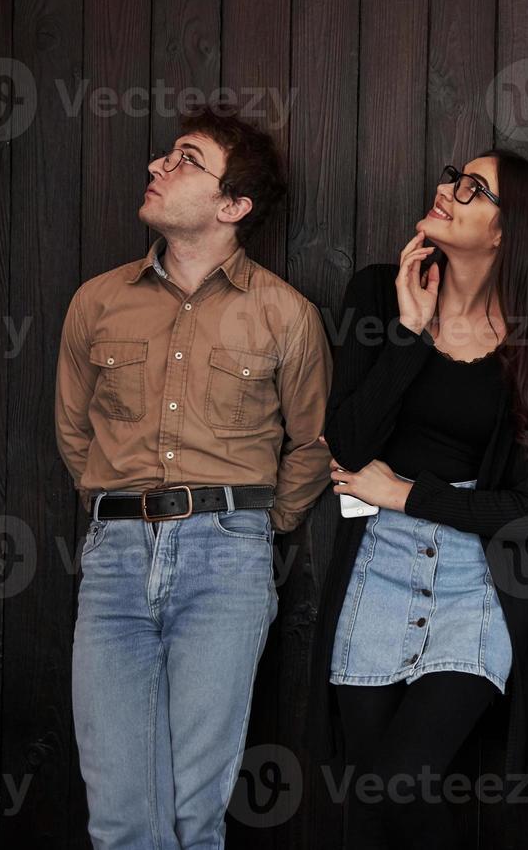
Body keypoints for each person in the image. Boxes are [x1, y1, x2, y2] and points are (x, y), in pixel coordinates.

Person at [55, 104, 332, 848]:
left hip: (225, 561)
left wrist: (248, 528)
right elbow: (75, 432)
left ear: (232, 206)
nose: (156, 166)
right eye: (165, 156)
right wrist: (115, 506)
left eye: (184, 159)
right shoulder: (97, 301)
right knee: (119, 816)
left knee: (192, 815)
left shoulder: (285, 314)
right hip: (113, 559)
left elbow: (309, 446)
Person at [305, 150, 528, 849]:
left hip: (471, 574)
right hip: (377, 567)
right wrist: (408, 332)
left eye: (473, 190)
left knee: (403, 780)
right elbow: (346, 440)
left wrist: (405, 493)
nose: (447, 190)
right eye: (454, 176)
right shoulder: (376, 292)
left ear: (505, 234)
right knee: (370, 799)